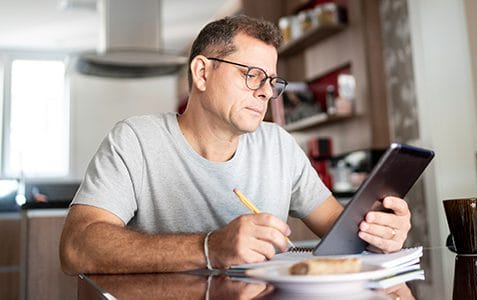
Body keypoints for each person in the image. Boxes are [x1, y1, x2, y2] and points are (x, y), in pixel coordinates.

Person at [59, 15, 411, 274]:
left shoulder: (279, 146)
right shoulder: (135, 141)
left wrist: (379, 231)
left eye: (272, 80)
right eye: (252, 75)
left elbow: (341, 230)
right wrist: (210, 247)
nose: (266, 92)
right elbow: (76, 247)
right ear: (202, 73)